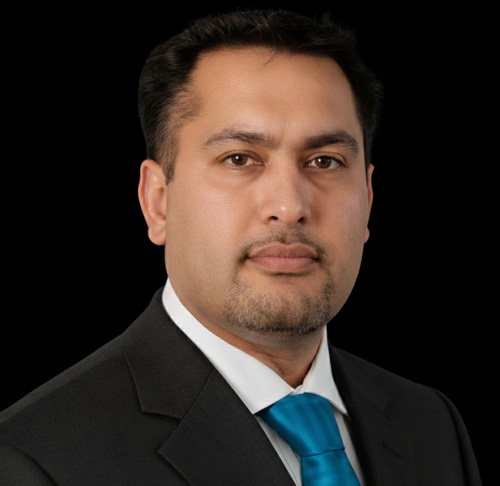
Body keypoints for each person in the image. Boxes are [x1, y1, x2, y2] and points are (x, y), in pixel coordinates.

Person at [0, 8, 481, 485]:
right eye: (239, 158)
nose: (290, 206)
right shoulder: (31, 460)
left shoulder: (430, 423)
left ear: (368, 199)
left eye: (325, 161)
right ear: (158, 202)